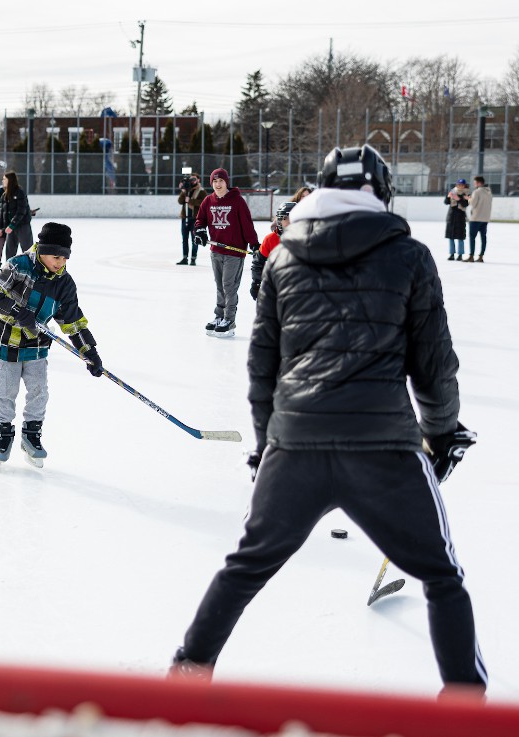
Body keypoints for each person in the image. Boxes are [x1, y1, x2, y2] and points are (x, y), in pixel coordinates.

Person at [169, 145, 487, 696]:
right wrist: (442, 433)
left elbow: (263, 367)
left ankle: (184, 678)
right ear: (381, 193)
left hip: (296, 444)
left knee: (245, 566)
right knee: (440, 576)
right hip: (383, 446)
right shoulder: (409, 255)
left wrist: (267, 445)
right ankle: (464, 703)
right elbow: (434, 364)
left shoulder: (284, 257)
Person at [0, 222, 102, 467]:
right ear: (42, 250)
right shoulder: (19, 265)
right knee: (6, 391)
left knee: (39, 392)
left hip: (36, 344)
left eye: (65, 257)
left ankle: (31, 436)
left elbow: (73, 320)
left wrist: (90, 351)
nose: (60, 262)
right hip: (3, 341)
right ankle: (3, 435)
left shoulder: (64, 284)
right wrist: (16, 311)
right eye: (55, 256)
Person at [193, 168, 259, 338]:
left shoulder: (237, 201)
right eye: (215, 181)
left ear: (226, 182)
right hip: (216, 250)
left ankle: (229, 320)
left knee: (229, 286)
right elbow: (201, 219)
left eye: (221, 181)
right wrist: (200, 231)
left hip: (234, 252)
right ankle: (219, 316)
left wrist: (254, 244)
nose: (218, 184)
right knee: (220, 286)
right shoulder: (208, 201)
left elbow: (247, 224)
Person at [249, 187, 312, 300]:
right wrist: (256, 283)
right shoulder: (270, 239)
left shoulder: (305, 237)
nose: (289, 222)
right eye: (285, 218)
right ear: (279, 221)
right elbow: (258, 264)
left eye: (292, 218)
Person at [0, 171, 33, 267]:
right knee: (10, 252)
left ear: (10, 180)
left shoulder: (20, 193)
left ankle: (32, 270)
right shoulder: (4, 195)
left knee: (27, 250)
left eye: (4, 179)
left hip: (22, 226)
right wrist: (0, 228)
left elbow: (22, 211)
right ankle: (9, 270)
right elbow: (2, 213)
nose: (3, 181)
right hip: (10, 228)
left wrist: (12, 225)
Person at [176, 172, 207, 265]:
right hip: (185, 218)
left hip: (195, 219)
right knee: (184, 239)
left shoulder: (201, 191)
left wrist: (191, 201)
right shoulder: (186, 190)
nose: (192, 181)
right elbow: (180, 201)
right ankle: (185, 258)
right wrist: (183, 192)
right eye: (191, 179)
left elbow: (203, 203)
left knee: (194, 239)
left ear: (198, 180)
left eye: (194, 179)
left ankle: (193, 258)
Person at [444, 178, 469, 261]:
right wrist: (448, 197)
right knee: (451, 236)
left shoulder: (466, 194)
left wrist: (459, 199)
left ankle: (460, 254)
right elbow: (446, 202)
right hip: (451, 216)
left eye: (462, 185)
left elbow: (465, 204)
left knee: (460, 237)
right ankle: (452, 254)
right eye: (459, 184)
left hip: (460, 217)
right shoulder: (452, 192)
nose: (460, 186)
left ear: (464, 185)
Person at [468, 175, 491, 263]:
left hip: (476, 218)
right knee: (483, 237)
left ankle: (471, 256)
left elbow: (473, 204)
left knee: (472, 237)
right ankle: (481, 256)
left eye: (475, 182)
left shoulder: (476, 192)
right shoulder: (489, 192)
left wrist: (469, 199)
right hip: (485, 218)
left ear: (478, 183)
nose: (474, 184)